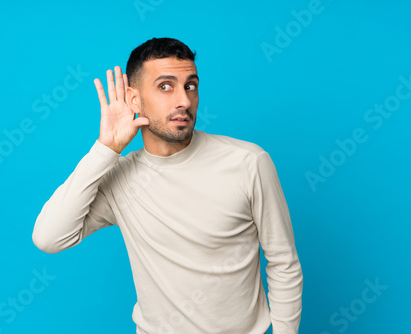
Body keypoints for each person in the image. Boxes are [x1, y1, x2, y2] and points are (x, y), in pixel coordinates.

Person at [32, 37, 303, 334]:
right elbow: (49, 238)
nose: (184, 101)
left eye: (190, 85)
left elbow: (283, 263)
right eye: (165, 86)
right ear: (134, 100)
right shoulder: (119, 177)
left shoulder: (248, 162)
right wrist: (105, 148)